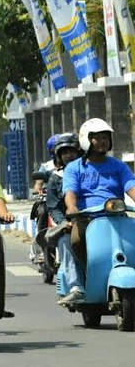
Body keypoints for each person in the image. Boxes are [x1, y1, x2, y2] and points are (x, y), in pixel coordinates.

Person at [63, 118, 135, 302]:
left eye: (106, 137)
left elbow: (131, 187)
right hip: (87, 219)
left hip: (117, 216)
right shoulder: (75, 168)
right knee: (77, 240)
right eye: (98, 138)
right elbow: (70, 193)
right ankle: (87, 274)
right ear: (87, 140)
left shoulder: (118, 166)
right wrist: (72, 208)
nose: (103, 141)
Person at [44, 133, 85, 304]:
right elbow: (52, 206)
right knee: (65, 242)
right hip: (70, 223)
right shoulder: (55, 178)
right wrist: (63, 223)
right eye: (65, 152)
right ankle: (76, 287)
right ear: (59, 156)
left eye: (72, 151)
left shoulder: (87, 170)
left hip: (94, 220)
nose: (69, 155)